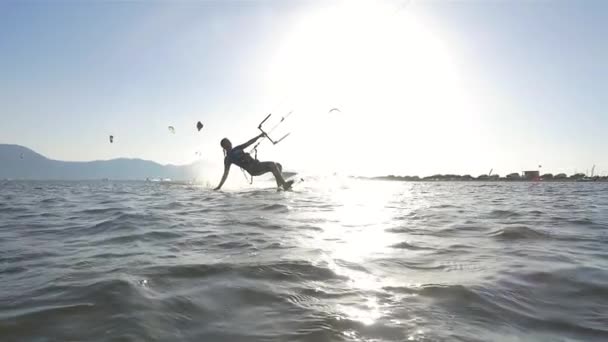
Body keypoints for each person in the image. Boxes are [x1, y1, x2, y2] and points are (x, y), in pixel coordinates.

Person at [214, 133, 293, 190]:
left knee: (278, 165)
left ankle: (280, 187)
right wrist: (219, 187)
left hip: (257, 165)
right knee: (272, 165)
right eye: (227, 142)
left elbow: (249, 142)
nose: (230, 143)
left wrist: (258, 136)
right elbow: (225, 174)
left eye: (229, 141)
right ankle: (284, 184)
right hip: (253, 169)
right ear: (224, 146)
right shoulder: (228, 159)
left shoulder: (238, 148)